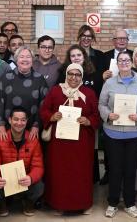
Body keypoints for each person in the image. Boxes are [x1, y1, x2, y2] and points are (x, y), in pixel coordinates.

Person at [98, 52, 137, 218]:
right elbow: (101, 104)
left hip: (135, 133)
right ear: (117, 63)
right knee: (114, 169)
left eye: (127, 60)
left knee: (130, 170)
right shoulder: (109, 83)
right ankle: (113, 203)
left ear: (131, 63)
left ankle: (130, 203)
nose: (124, 63)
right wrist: (108, 115)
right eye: (120, 60)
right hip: (112, 133)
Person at [40, 64, 100, 213]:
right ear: (66, 75)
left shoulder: (89, 93)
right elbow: (44, 110)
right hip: (59, 143)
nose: (74, 77)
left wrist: (88, 120)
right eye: (71, 74)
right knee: (60, 173)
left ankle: (82, 204)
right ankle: (59, 204)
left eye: (77, 74)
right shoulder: (55, 91)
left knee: (81, 173)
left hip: (82, 143)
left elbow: (97, 115)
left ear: (82, 77)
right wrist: (51, 116)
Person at [0, 107, 45, 217]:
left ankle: (28, 202)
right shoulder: (0, 140)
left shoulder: (33, 140)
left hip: (24, 182)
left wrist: (30, 178)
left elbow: (38, 166)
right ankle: (2, 204)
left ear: (27, 121)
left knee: (39, 186)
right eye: (16, 119)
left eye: (23, 120)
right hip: (6, 183)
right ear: (9, 120)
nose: (19, 123)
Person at [0, 46, 49, 142]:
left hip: (31, 131)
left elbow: (44, 105)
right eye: (22, 56)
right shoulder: (5, 77)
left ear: (32, 60)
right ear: (16, 59)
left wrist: (36, 125)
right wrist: (0, 125)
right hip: (6, 130)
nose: (25, 59)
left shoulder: (40, 79)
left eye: (28, 57)